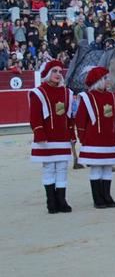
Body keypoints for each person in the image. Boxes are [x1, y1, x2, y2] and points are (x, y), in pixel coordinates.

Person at [29, 60, 75, 214]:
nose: (58, 74)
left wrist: (71, 133)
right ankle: (51, 200)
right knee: (49, 168)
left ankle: (61, 200)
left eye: (59, 71)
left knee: (62, 168)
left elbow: (69, 117)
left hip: (62, 137)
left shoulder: (67, 92)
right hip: (47, 137)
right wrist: (39, 132)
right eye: (54, 71)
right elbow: (35, 116)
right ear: (48, 73)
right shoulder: (38, 92)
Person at [75, 66, 115, 209]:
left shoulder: (114, 96)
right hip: (93, 140)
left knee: (107, 168)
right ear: (98, 80)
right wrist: (83, 139)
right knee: (96, 169)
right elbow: (80, 120)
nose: (108, 81)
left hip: (109, 139)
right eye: (105, 78)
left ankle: (107, 195)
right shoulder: (87, 98)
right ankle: (97, 198)